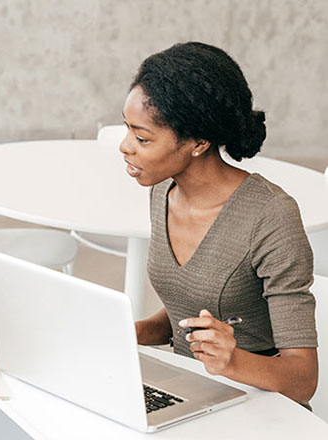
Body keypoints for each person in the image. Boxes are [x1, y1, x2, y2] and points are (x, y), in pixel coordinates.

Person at [120, 42, 318, 404]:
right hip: (191, 390)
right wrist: (135, 331)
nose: (125, 146)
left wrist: (232, 360)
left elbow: (303, 379)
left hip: (263, 403)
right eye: (128, 129)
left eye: (142, 137)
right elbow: (193, 299)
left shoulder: (271, 216)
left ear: (198, 143)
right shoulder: (163, 189)